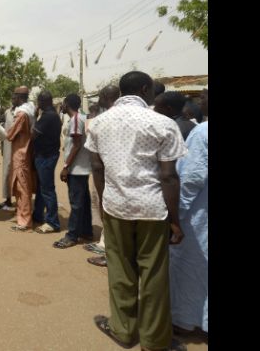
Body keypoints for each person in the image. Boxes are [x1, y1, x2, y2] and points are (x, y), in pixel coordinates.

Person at [86, 71, 187, 351]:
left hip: (116, 206)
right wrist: (175, 221)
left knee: (120, 270)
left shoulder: (98, 123)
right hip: (152, 209)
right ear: (145, 89)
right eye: (152, 91)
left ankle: (124, 330)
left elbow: (96, 168)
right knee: (153, 275)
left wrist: (105, 203)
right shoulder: (163, 124)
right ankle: (155, 341)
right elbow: (168, 177)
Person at [169, 89, 208, 340]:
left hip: (198, 217)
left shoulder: (203, 133)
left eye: (205, 97)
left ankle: (184, 322)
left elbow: (191, 178)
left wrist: (175, 217)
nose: (200, 101)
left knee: (189, 268)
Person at [84, 85, 120, 267]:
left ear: (105, 97)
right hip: (121, 177)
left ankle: (108, 249)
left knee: (106, 208)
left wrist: (101, 187)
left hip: (108, 176)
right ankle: (104, 243)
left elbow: (96, 163)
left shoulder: (101, 121)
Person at [53, 94, 93, 248]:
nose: (61, 106)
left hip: (76, 169)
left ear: (67, 104)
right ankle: (86, 231)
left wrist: (65, 167)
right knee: (83, 201)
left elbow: (76, 145)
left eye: (63, 103)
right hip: (81, 168)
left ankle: (72, 235)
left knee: (76, 203)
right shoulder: (81, 118)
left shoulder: (76, 120)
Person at [0, 91, 36, 211]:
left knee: (20, 175)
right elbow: (5, 130)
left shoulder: (24, 113)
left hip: (20, 147)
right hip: (8, 146)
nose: (13, 100)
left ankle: (21, 205)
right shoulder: (7, 112)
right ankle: (8, 199)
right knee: (7, 171)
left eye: (15, 98)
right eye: (12, 98)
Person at [7, 87, 38, 232]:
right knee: (21, 186)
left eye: (15, 97)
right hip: (26, 151)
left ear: (19, 97)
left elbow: (10, 134)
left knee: (23, 187)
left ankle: (25, 221)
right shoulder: (30, 109)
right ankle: (21, 215)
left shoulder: (22, 114)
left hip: (21, 153)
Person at [31, 90, 63, 234]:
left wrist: (34, 117)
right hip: (46, 155)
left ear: (43, 102)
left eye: (39, 101)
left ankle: (52, 222)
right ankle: (38, 215)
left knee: (47, 189)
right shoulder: (51, 115)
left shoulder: (48, 116)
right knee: (41, 187)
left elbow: (33, 135)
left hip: (46, 156)